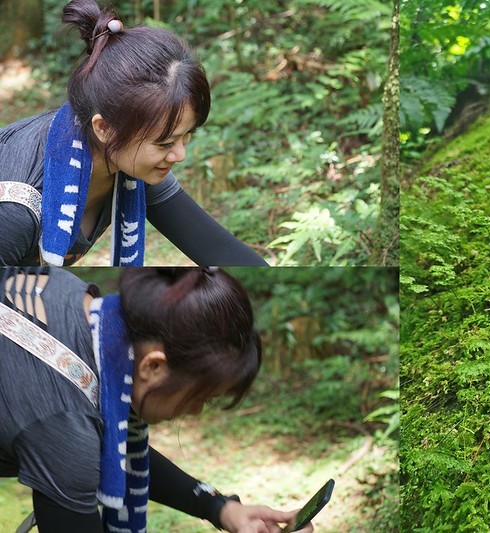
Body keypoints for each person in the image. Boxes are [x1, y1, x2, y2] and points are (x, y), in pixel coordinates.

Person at [0, 267, 312, 533]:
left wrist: (219, 507)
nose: (196, 412)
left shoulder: (75, 300)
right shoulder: (65, 428)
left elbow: (111, 449)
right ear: (153, 366)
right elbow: (80, 444)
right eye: (202, 398)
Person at [0, 0, 268, 267]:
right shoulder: (16, 209)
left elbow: (217, 249)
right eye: (165, 143)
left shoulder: (124, 157)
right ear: (103, 128)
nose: (180, 155)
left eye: (187, 136)